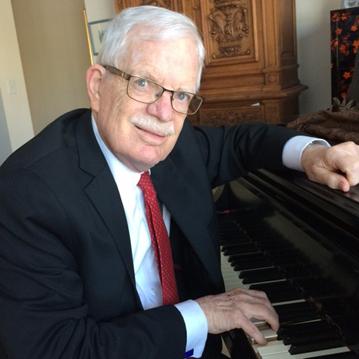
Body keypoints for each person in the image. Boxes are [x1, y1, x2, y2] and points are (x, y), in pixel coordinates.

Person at [0, 5, 359, 359]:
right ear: (97, 86)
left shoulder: (177, 145)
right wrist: (203, 315)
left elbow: (241, 142)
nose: (163, 115)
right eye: (143, 83)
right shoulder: (28, 194)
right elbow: (56, 349)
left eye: (181, 95)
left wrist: (312, 153)